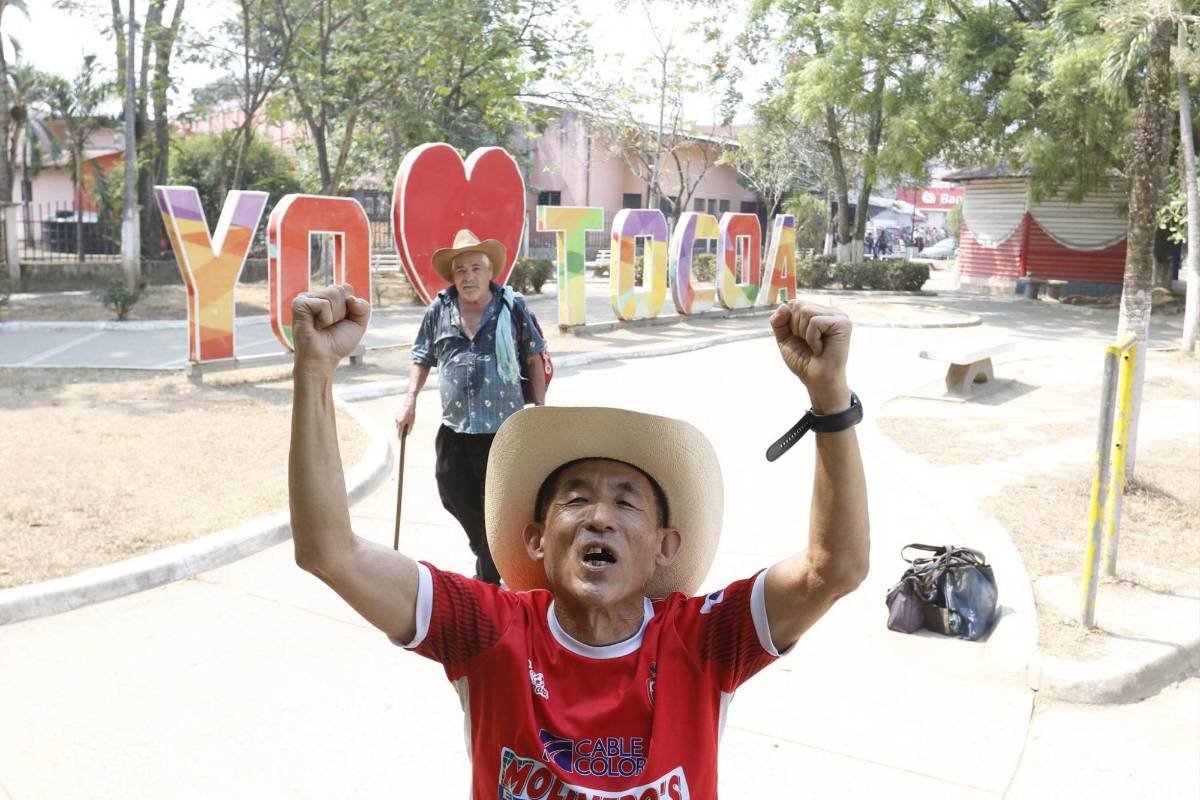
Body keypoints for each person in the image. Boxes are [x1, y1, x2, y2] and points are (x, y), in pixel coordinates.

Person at [288, 283, 869, 798]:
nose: (600, 518)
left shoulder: (704, 640)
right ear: (537, 539)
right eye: (575, 499)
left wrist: (830, 399)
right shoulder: (490, 630)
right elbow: (328, 551)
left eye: (625, 501)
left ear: (665, 546)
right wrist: (313, 371)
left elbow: (833, 569)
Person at [394, 228, 547, 584]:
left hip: (500, 430)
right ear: (453, 276)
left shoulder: (512, 306)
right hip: (455, 428)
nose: (468, 276)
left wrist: (540, 409)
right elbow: (422, 356)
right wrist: (409, 402)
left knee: (495, 507)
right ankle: (489, 554)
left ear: (489, 272)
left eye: (475, 268)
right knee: (451, 491)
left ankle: (488, 582)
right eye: (461, 270)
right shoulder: (440, 309)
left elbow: (534, 356)